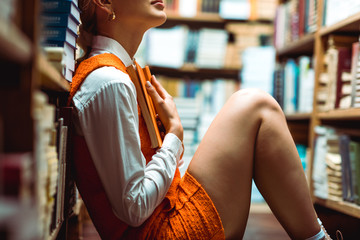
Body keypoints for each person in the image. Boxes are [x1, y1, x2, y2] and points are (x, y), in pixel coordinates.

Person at [68, 0, 339, 239]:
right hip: (160, 232)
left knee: (255, 108)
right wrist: (174, 134)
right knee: (255, 105)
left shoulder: (121, 71)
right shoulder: (109, 81)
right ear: (104, 1)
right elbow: (134, 206)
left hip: (165, 214)